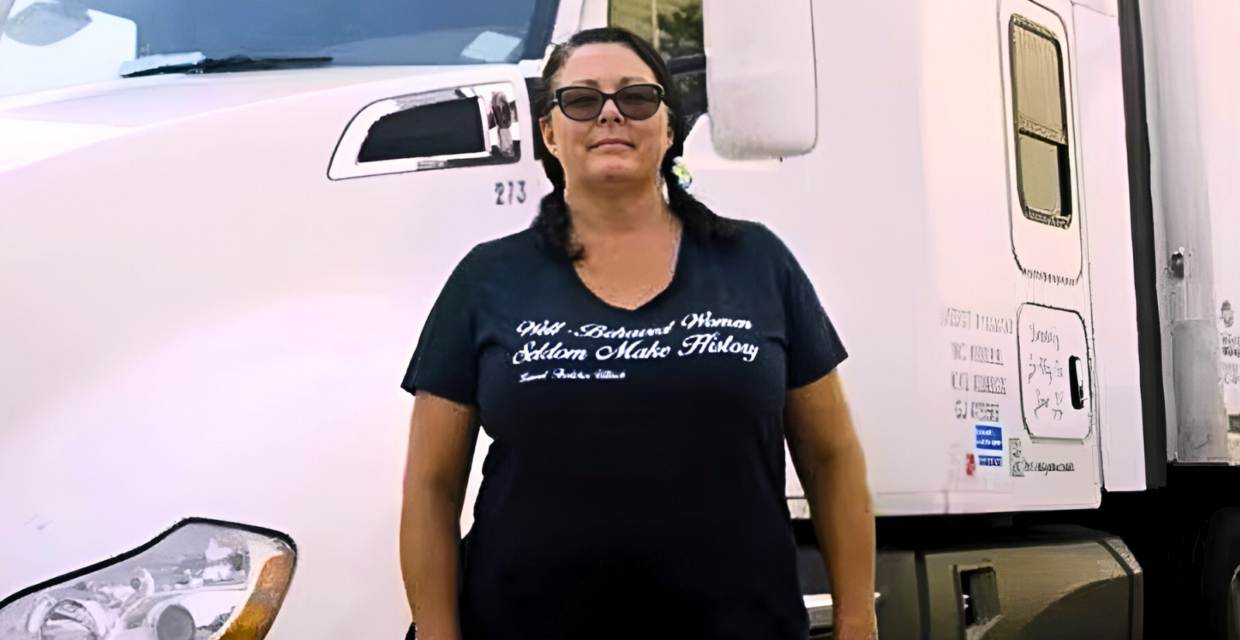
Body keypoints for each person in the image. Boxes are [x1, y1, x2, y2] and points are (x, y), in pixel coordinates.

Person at [398, 27, 877, 640]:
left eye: (637, 98)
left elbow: (831, 456)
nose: (610, 115)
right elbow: (432, 486)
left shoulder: (758, 262)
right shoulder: (486, 279)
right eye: (581, 101)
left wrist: (857, 621)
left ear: (669, 128)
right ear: (549, 132)